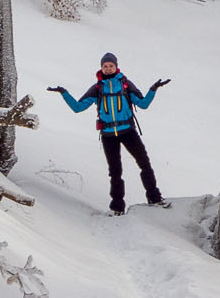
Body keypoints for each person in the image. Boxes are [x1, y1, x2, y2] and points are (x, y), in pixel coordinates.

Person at [49, 53, 171, 215]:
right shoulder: (98, 87)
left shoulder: (125, 84)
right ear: (101, 68)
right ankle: (117, 207)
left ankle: (154, 198)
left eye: (110, 66)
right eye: (105, 66)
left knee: (144, 163)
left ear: (116, 66)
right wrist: (64, 93)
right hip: (108, 135)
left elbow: (143, 104)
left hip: (128, 131)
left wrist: (153, 89)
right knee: (115, 171)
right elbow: (78, 107)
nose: (108, 69)